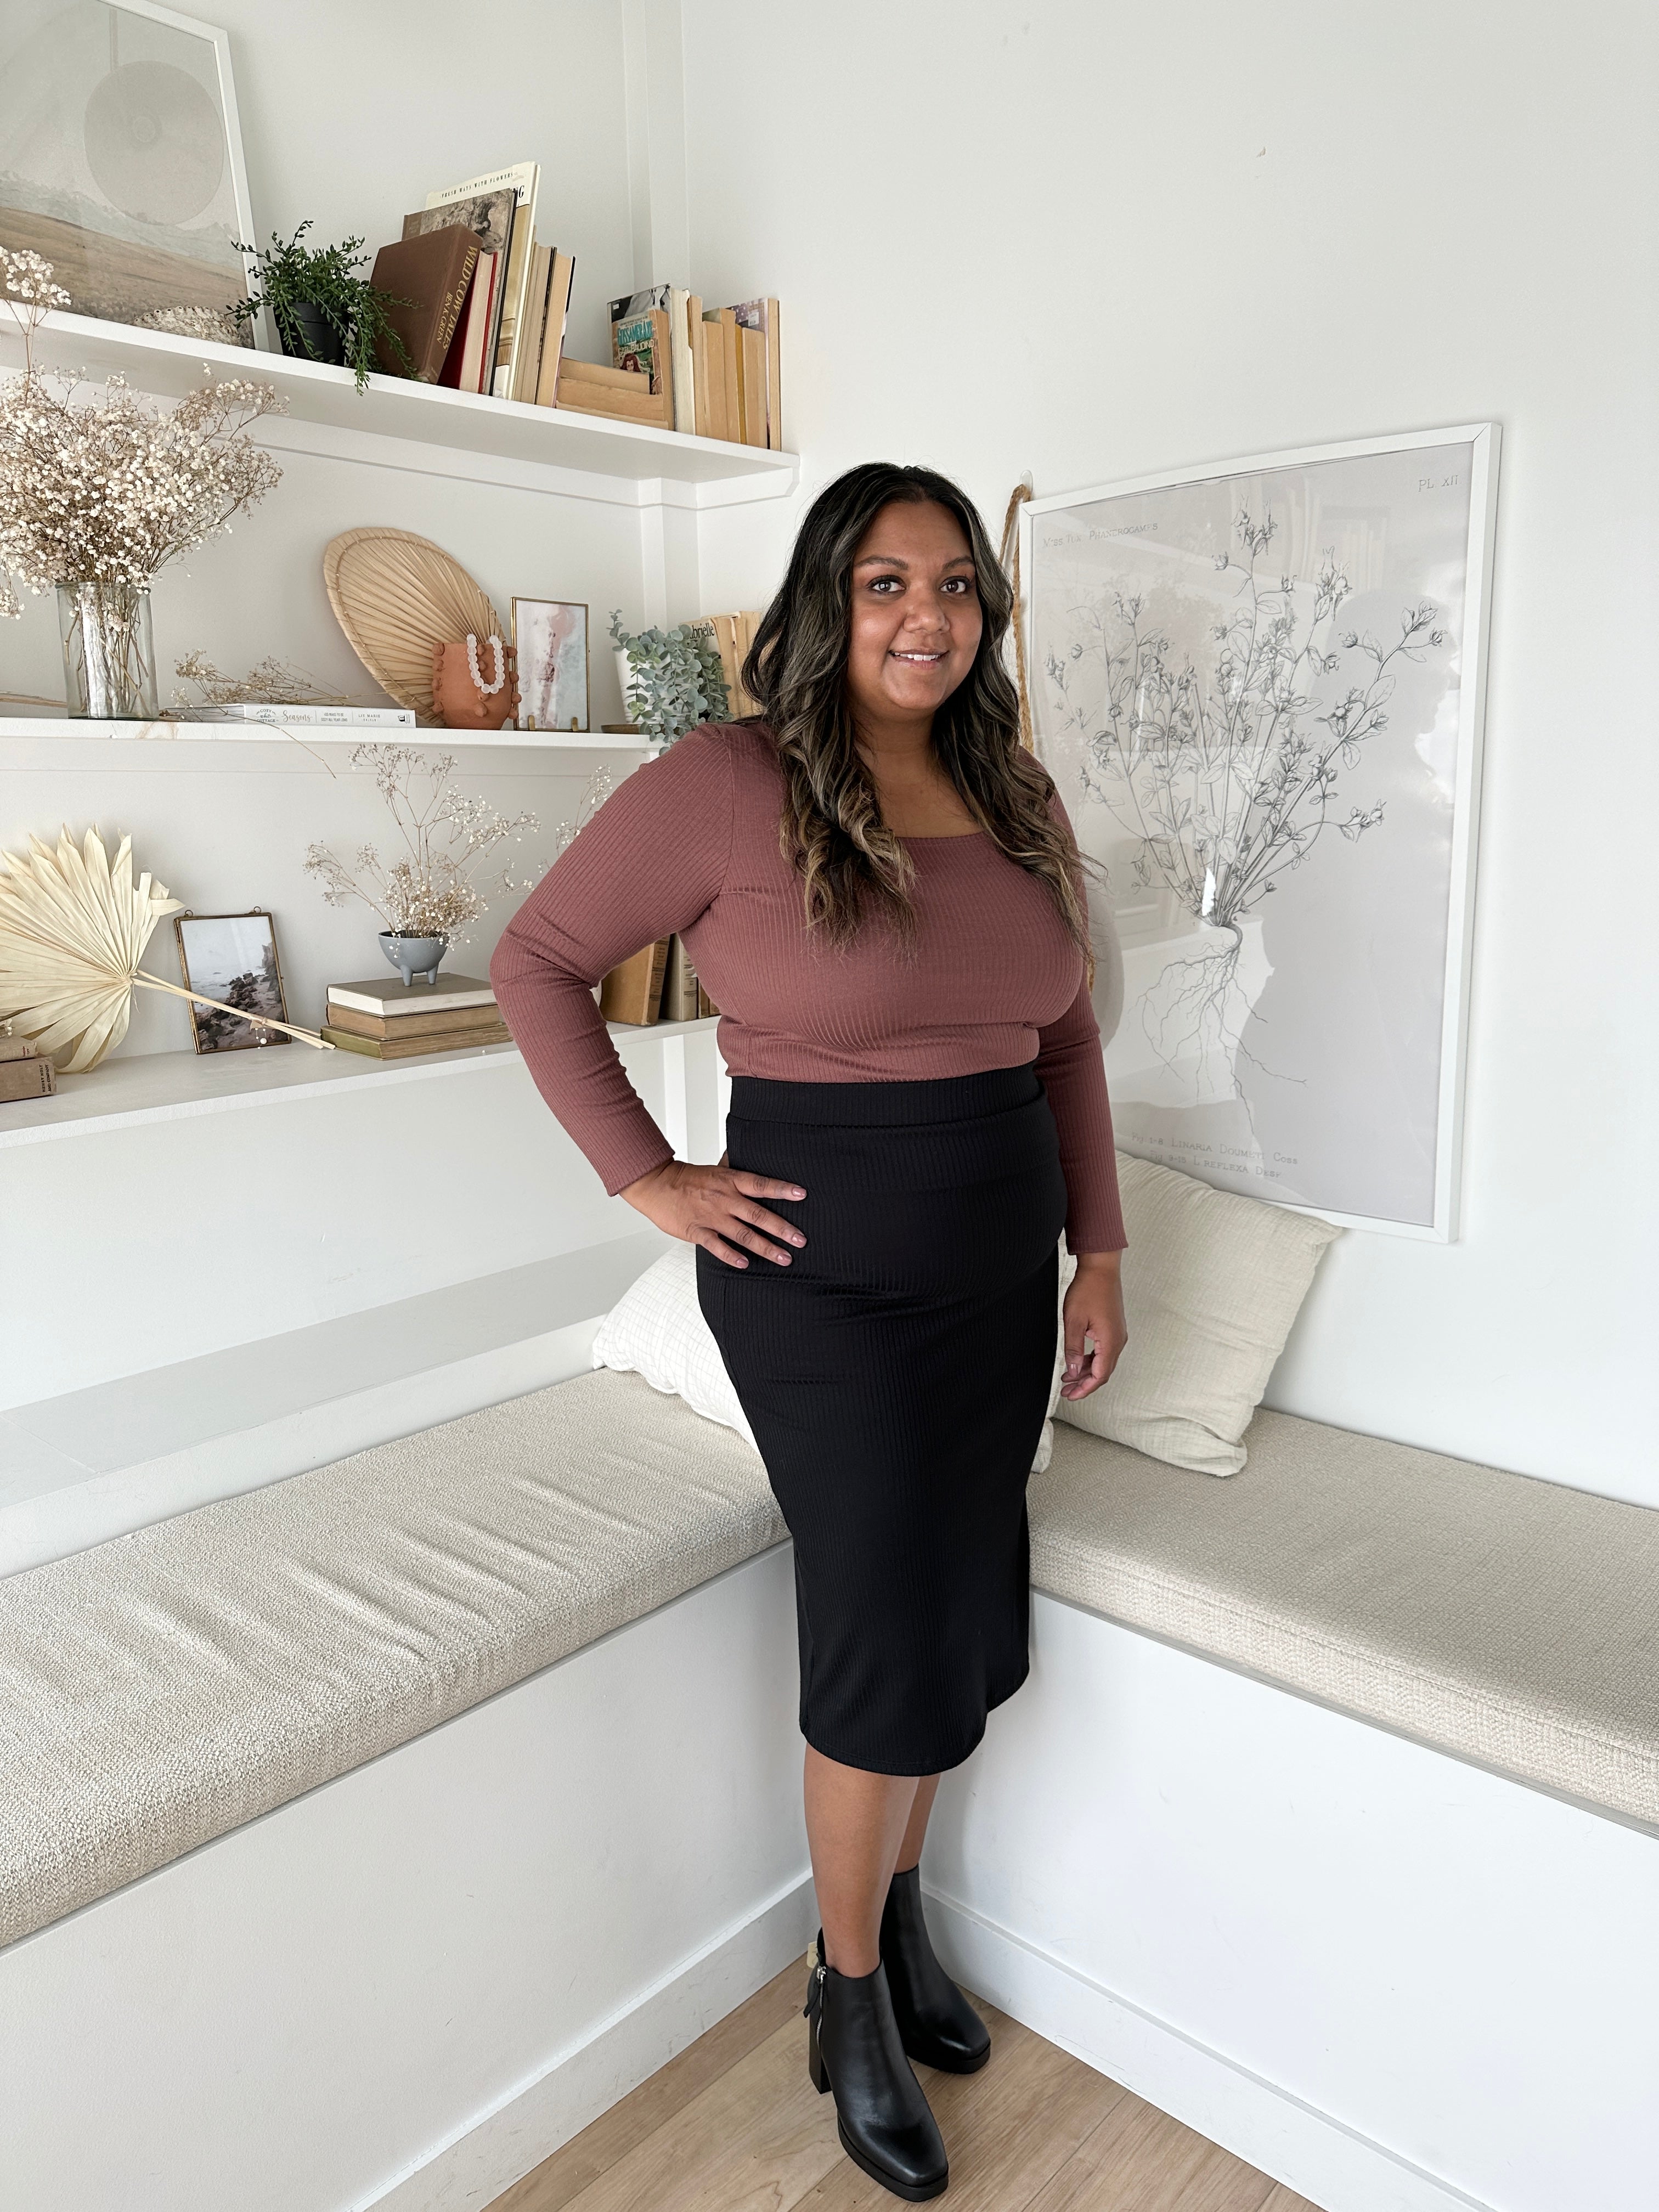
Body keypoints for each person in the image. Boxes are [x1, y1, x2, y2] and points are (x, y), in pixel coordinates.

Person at [490, 461, 1128, 2202]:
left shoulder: (1010, 789)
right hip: (822, 1283)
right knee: (875, 1631)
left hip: (1001, 1269)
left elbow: (1065, 1043)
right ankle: (844, 1997)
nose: (928, 617)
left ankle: (895, 1922)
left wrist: (1102, 1252)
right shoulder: (725, 782)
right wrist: (651, 1181)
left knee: (956, 1611)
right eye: (886, 585)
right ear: (827, 601)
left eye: (957, 586)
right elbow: (537, 965)